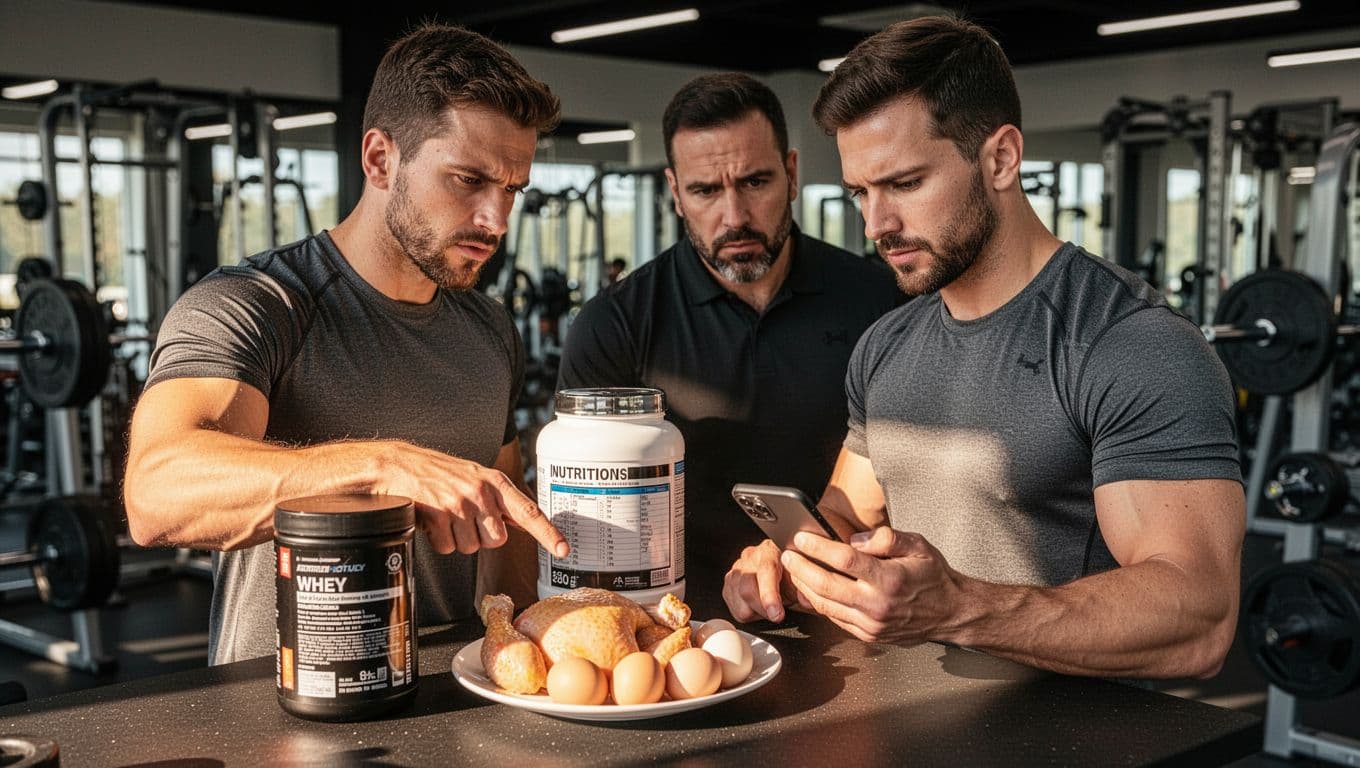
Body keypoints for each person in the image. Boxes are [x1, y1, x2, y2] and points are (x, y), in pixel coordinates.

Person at [723, 16, 1245, 680]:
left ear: (1000, 158)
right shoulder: (887, 344)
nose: (876, 223)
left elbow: (1200, 617)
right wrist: (789, 557)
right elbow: (847, 514)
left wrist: (959, 608)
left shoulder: (1129, 344)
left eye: (906, 184)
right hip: (910, 730)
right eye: (861, 191)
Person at [123, 23, 569, 664]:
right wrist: (382, 466)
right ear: (380, 159)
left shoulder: (488, 327)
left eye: (511, 190)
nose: (495, 220)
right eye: (469, 180)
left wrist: (522, 640)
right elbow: (156, 493)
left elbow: (500, 513)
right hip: (278, 714)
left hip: (444, 702)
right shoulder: (257, 304)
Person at [558, 73, 900, 604]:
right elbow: (588, 521)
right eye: (705, 190)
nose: (734, 216)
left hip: (847, 610)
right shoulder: (614, 325)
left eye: (755, 182)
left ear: (790, 173)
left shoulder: (881, 301)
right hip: (678, 627)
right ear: (675, 193)